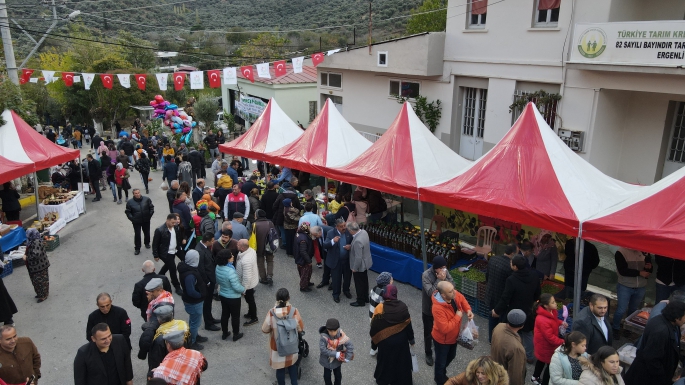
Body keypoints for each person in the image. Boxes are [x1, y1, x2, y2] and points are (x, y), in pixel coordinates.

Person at [492, 255, 540, 363]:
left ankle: (508, 351)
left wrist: (496, 310)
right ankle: (529, 356)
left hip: (514, 311)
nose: (510, 264)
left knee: (511, 331)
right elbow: (538, 294)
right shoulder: (534, 275)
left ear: (515, 267)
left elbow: (505, 298)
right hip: (528, 310)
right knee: (527, 333)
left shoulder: (512, 279)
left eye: (511, 263)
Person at [624, 301, 685, 385]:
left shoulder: (673, 325)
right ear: (677, 317)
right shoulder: (660, 332)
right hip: (647, 378)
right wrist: (663, 378)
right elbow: (652, 359)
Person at [370, 284, 414, 385]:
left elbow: (374, 328)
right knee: (401, 362)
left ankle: (384, 380)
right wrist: (411, 339)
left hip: (385, 343)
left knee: (385, 363)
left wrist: (374, 345)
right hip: (401, 342)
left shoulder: (380, 308)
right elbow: (408, 324)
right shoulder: (402, 306)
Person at [431, 281, 472, 385]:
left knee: (451, 356)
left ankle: (441, 373)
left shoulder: (453, 295)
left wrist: (468, 310)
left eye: (453, 289)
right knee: (440, 363)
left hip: (453, 337)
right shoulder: (437, 308)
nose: (454, 292)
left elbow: (462, 299)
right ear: (443, 295)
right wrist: (458, 316)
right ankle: (440, 380)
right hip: (442, 341)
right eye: (451, 291)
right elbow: (445, 328)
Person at [262, 288, 304, 385]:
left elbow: (264, 329)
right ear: (288, 298)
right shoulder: (294, 311)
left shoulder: (271, 313)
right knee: (292, 366)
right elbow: (300, 328)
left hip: (277, 347)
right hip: (291, 345)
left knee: (280, 369)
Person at [421, 255, 454, 367]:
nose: (444, 270)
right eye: (442, 267)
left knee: (441, 331)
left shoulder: (445, 272)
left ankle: (439, 352)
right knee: (428, 333)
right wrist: (440, 280)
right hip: (429, 309)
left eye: (445, 267)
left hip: (442, 309)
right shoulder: (426, 275)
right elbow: (431, 293)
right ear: (436, 268)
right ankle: (428, 353)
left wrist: (445, 279)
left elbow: (452, 285)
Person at [612, 248, 652, 338]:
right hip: (625, 285)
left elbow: (649, 270)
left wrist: (649, 268)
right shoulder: (621, 252)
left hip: (641, 286)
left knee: (633, 309)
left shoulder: (645, 251)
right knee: (621, 309)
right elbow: (622, 270)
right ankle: (615, 328)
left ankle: (628, 328)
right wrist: (639, 273)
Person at [485, 243, 517, 342]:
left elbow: (487, 275)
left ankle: (491, 339)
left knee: (491, 318)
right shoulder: (510, 267)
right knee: (501, 320)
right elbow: (510, 286)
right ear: (512, 253)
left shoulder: (493, 259)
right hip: (501, 298)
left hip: (490, 294)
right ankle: (498, 340)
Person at [177, 249, 207, 350]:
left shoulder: (187, 269)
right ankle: (192, 342)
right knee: (195, 323)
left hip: (192, 301)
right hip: (194, 302)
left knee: (193, 321)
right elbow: (191, 291)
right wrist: (200, 295)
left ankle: (194, 336)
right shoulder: (190, 274)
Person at [532, 294, 566, 385]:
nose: (556, 304)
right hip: (546, 346)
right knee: (551, 366)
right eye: (553, 302)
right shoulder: (543, 320)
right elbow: (550, 338)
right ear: (546, 305)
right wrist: (563, 342)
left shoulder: (550, 312)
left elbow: (553, 321)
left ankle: (535, 376)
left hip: (544, 345)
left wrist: (560, 322)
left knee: (541, 360)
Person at [491, 309, 528, 385]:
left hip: (494, 372)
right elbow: (515, 376)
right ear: (522, 326)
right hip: (503, 380)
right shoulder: (516, 348)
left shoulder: (499, 326)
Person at [215, 249, 245, 341]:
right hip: (233, 297)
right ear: (226, 259)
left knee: (225, 314)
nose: (233, 257)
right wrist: (243, 289)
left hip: (223, 294)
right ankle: (236, 334)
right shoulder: (230, 271)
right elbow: (236, 286)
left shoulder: (218, 267)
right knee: (235, 316)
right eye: (231, 256)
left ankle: (225, 333)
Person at [152, 213, 185, 294]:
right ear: (167, 220)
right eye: (172, 222)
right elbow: (155, 243)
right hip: (166, 253)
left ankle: (159, 276)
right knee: (172, 268)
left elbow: (179, 237)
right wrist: (155, 255)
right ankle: (177, 286)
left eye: (175, 223)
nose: (174, 224)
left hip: (176, 250)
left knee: (181, 260)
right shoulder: (160, 230)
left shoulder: (176, 227)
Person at [324, 218, 354, 303]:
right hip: (336, 261)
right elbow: (325, 245)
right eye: (341, 226)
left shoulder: (348, 232)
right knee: (336, 279)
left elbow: (353, 242)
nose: (344, 227)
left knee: (347, 277)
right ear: (336, 227)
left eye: (344, 225)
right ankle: (336, 294)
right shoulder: (331, 233)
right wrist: (333, 241)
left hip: (347, 260)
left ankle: (346, 291)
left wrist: (350, 246)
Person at [319, 317, 354, 385]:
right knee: (327, 377)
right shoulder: (323, 337)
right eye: (330, 331)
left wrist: (348, 358)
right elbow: (323, 350)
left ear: (337, 329)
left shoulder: (341, 335)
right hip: (326, 361)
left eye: (334, 331)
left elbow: (350, 345)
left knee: (338, 376)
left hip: (337, 361)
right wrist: (335, 354)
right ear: (327, 330)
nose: (333, 333)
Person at [347, 221, 372, 307]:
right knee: (365, 281)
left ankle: (360, 301)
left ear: (351, 230)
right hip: (366, 262)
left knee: (359, 283)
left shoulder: (357, 241)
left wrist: (354, 268)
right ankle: (366, 297)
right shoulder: (364, 232)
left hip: (360, 265)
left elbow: (358, 257)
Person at [23, 228, 50, 303]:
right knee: (36, 281)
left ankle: (43, 295)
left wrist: (27, 257)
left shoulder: (36, 242)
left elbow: (36, 255)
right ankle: (40, 294)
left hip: (40, 266)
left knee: (41, 281)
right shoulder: (32, 241)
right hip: (34, 267)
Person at [368, 272, 393, 355]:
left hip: (372, 315)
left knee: (375, 333)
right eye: (391, 279)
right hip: (380, 318)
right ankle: (381, 350)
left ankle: (373, 348)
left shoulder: (374, 289)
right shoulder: (384, 294)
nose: (392, 280)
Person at [236, 239, 259, 326]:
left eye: (238, 245)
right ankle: (251, 313)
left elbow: (247, 277)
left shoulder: (246, 261)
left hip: (248, 285)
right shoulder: (250, 251)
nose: (236, 246)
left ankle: (254, 317)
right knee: (250, 300)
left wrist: (244, 289)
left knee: (250, 300)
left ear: (242, 247)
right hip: (251, 281)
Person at [272, 180, 301, 250]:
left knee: (282, 230)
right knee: (291, 231)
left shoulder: (281, 195)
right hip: (292, 217)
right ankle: (292, 243)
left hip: (280, 216)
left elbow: (274, 206)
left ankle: (285, 244)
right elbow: (299, 207)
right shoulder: (295, 197)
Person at [125, 188, 154, 255]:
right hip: (136, 222)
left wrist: (149, 215)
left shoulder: (146, 199)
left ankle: (147, 243)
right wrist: (132, 219)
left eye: (138, 193)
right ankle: (137, 248)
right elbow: (128, 212)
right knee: (137, 234)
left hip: (146, 220)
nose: (137, 194)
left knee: (147, 232)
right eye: (136, 193)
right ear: (133, 194)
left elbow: (151, 208)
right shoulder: (130, 202)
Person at [445, 356, 509, 385]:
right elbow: (453, 381)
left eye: (483, 373)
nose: (479, 376)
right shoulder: (470, 375)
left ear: (491, 372)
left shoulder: (500, 382)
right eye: (478, 372)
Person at [253, 209, 277, 285]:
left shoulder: (254, 224)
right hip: (269, 246)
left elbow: (252, 236)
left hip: (259, 247)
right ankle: (269, 276)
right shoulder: (270, 223)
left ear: (257, 215)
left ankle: (263, 278)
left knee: (260, 262)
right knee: (270, 260)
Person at [294, 222, 315, 292]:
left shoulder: (299, 234)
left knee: (306, 273)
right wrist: (309, 261)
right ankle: (303, 287)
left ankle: (307, 283)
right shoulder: (303, 238)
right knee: (305, 273)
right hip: (303, 260)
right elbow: (303, 251)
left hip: (299, 259)